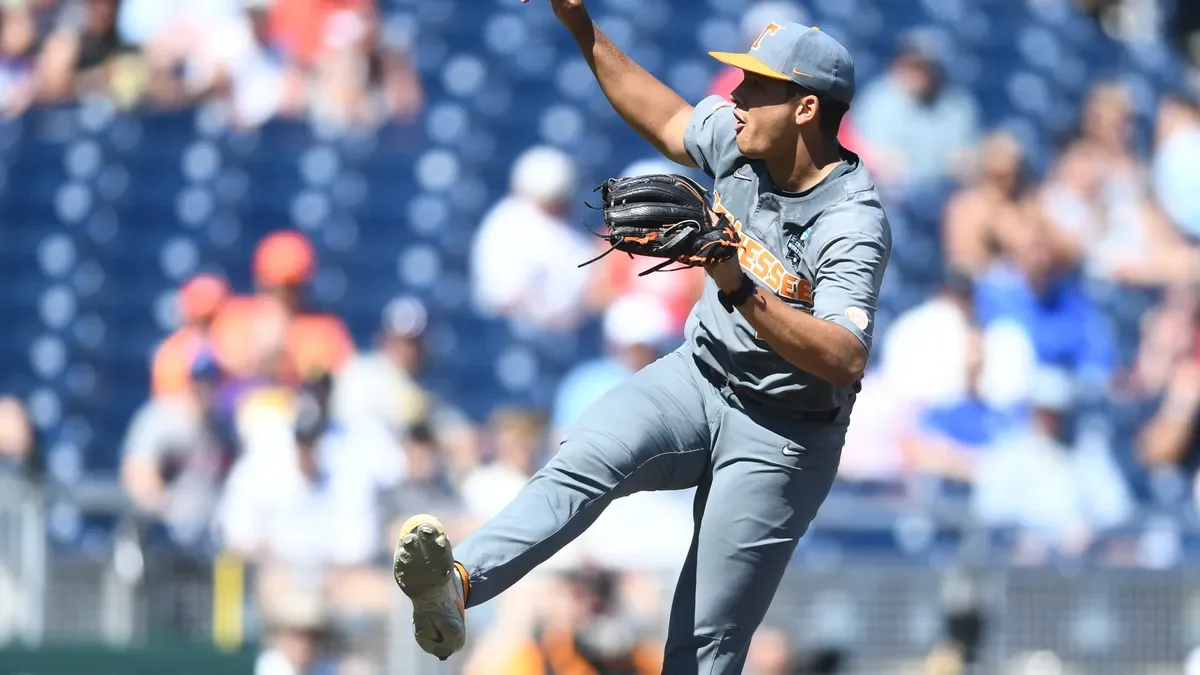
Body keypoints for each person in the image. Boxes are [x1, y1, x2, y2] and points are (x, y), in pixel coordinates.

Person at [392, 4, 891, 674]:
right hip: (701, 375)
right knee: (585, 457)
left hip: (785, 434)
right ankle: (459, 585)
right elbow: (665, 116)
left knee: (703, 637)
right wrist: (583, 30)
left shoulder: (851, 219)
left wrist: (736, 282)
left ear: (805, 109)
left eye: (756, 87)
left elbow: (844, 355)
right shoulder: (744, 143)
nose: (735, 98)